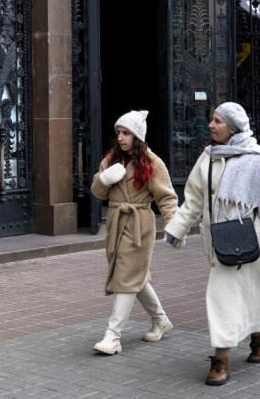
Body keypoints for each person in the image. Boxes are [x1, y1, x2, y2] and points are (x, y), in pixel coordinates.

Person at [164, 102, 260, 386]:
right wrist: (177, 228)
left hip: (250, 241)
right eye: (211, 120)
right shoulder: (207, 158)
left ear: (233, 128)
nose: (211, 125)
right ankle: (259, 338)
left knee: (238, 293)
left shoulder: (257, 158)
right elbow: (194, 200)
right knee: (230, 294)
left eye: (217, 121)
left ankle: (221, 359)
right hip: (218, 242)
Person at [90, 110, 178, 355]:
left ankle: (113, 336)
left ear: (137, 137)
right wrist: (104, 179)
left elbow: (167, 198)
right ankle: (160, 320)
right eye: (119, 132)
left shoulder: (152, 163)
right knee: (134, 277)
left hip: (139, 225)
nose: (120, 137)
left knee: (126, 278)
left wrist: (173, 225)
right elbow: (98, 193)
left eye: (126, 133)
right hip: (117, 223)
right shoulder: (110, 160)